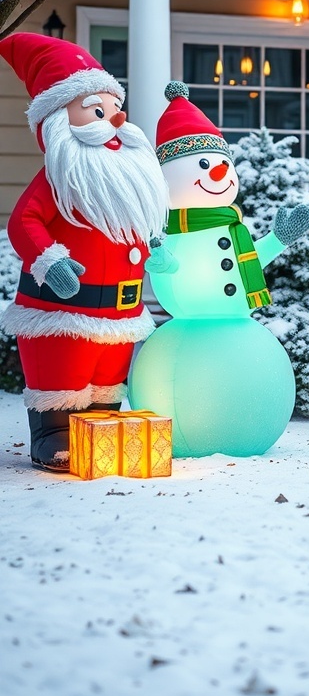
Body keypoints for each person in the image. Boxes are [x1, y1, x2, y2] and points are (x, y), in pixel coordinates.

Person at [0, 32, 170, 472]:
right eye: (98, 110)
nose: (114, 121)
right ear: (60, 120)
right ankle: (52, 432)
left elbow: (137, 226)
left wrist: (157, 246)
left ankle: (102, 431)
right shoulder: (60, 178)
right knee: (64, 380)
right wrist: (50, 260)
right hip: (62, 309)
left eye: (115, 109)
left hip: (120, 311)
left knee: (105, 385)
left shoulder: (124, 173)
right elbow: (23, 222)